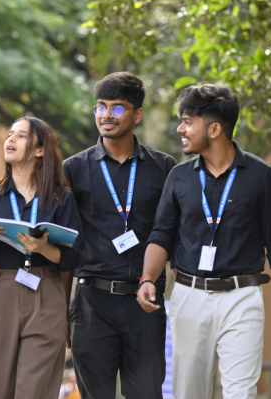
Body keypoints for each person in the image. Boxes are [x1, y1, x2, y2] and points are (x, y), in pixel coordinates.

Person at [138, 84, 271, 399]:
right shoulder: (179, 177)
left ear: (214, 129)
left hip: (242, 297)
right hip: (188, 295)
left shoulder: (260, 176)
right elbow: (161, 235)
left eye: (188, 122)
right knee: (188, 393)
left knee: (241, 393)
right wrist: (147, 278)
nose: (181, 129)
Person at [63, 72, 178, 399]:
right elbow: (67, 243)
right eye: (100, 107)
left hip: (145, 302)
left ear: (137, 114)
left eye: (117, 108)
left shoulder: (164, 168)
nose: (106, 115)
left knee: (146, 394)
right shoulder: (73, 169)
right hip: (91, 301)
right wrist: (62, 309)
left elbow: (170, 233)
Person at [0, 116, 84, 399]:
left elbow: (76, 255)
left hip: (46, 291)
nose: (10, 139)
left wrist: (43, 249)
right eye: (9, 135)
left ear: (40, 149)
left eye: (21, 135)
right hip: (1, 292)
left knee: (34, 390)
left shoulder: (61, 197)